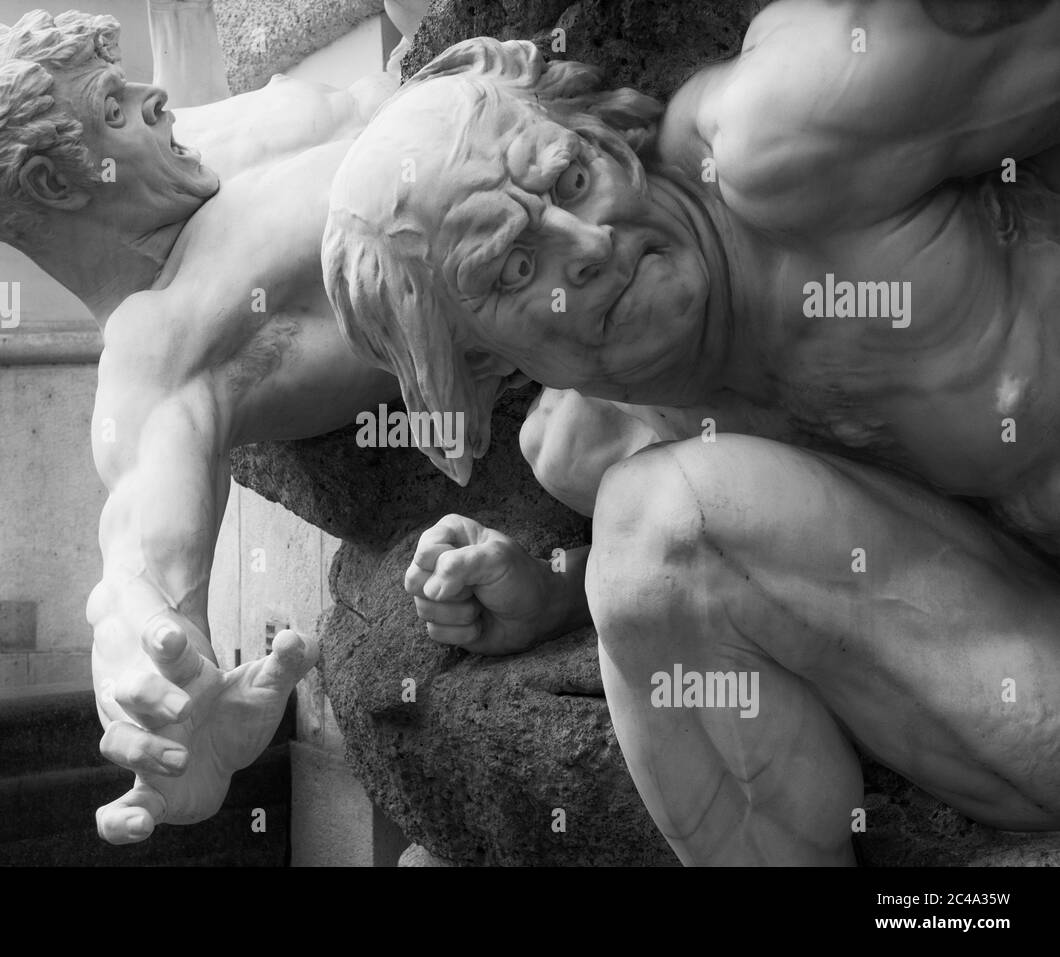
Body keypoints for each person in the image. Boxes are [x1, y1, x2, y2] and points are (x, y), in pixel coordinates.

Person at [323, 1, 1060, 864]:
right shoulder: (589, 451)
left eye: (571, 180)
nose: (587, 241)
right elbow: (760, 572)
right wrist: (550, 594)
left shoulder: (798, 130)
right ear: (483, 365)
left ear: (603, 133)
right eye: (517, 267)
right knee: (649, 539)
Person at [0, 4, 407, 845]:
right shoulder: (156, 349)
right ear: (55, 184)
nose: (154, 100)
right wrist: (153, 663)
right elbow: (141, 556)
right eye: (114, 104)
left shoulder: (184, 148)